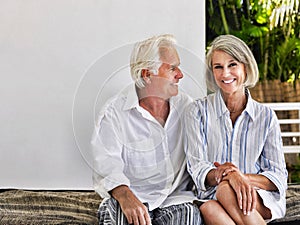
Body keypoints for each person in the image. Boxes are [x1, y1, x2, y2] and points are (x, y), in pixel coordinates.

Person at [91, 34, 202, 225]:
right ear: (147, 74)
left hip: (175, 198)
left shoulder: (187, 107)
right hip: (132, 196)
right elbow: (107, 166)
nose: (180, 75)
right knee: (115, 219)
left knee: (190, 218)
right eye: (172, 68)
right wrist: (125, 197)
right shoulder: (114, 113)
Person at [184, 34, 288, 225]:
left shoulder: (265, 117)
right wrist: (229, 176)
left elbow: (278, 175)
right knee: (210, 205)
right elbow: (197, 167)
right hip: (212, 195)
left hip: (257, 196)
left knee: (226, 190)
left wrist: (239, 178)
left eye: (232, 65)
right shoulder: (196, 112)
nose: (225, 74)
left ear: (245, 67)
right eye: (218, 67)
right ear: (212, 72)